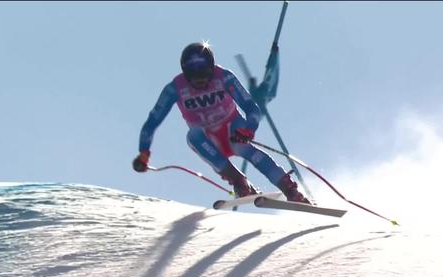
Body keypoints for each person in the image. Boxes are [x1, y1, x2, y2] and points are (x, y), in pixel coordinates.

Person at [132, 42, 310, 204]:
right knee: (192, 136)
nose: (200, 80)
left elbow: (251, 107)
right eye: (194, 77)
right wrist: (144, 152)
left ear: (211, 69)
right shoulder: (175, 88)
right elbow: (152, 121)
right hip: (208, 140)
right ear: (186, 73)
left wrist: (249, 129)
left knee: (242, 148)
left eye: (204, 74)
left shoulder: (224, 77)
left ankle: (290, 190)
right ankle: (239, 181)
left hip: (233, 129)